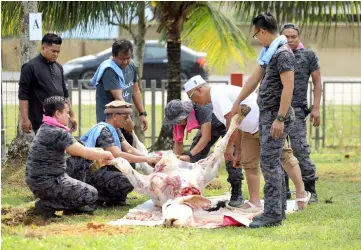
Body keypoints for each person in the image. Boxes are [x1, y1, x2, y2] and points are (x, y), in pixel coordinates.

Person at [230, 12, 296, 228]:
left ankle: (273, 214)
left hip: (277, 116)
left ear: (263, 31)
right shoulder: (270, 52)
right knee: (272, 163)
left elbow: (289, 88)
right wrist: (238, 100)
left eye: (256, 34)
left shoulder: (283, 53)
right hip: (267, 115)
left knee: (269, 164)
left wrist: (280, 118)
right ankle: (277, 210)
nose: (256, 38)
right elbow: (254, 78)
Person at [26, 96, 114, 220]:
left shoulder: (46, 127)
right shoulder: (57, 132)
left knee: (80, 160)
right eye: (67, 113)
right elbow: (86, 153)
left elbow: (79, 151)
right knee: (91, 194)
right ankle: (47, 205)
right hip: (47, 182)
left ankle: (72, 200)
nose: (69, 116)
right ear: (57, 113)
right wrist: (107, 154)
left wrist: (99, 151)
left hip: (41, 180)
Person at [184, 75, 263, 212]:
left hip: (262, 125)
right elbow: (235, 124)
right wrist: (237, 149)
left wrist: (229, 146)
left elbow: (231, 121)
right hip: (246, 129)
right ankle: (254, 202)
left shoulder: (216, 94)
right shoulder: (213, 103)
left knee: (280, 160)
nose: (195, 102)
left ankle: (299, 195)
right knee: (249, 164)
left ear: (199, 90)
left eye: (192, 98)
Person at [66, 100, 161, 206]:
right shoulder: (104, 131)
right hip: (90, 171)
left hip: (102, 170)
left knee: (129, 178)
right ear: (115, 116)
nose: (128, 120)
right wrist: (146, 159)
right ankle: (97, 196)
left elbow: (129, 148)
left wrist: (150, 157)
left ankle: (113, 198)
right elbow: (117, 154)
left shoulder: (115, 130)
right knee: (128, 180)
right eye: (126, 117)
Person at [163, 97, 244, 208]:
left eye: (178, 120)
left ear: (185, 114)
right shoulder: (178, 120)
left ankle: (236, 192)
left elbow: (206, 137)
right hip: (209, 127)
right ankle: (188, 191)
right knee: (193, 160)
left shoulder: (201, 107)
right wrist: (176, 165)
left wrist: (189, 154)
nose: (177, 123)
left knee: (230, 155)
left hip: (225, 124)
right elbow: (178, 142)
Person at [281, 23, 321, 203]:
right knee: (278, 149)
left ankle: (310, 188)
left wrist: (316, 107)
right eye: (286, 37)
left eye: (293, 37)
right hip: (277, 109)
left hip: (297, 109)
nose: (289, 40)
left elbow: (317, 82)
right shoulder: (277, 54)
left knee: (299, 148)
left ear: (299, 37)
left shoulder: (308, 55)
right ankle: (283, 189)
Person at [91, 39, 148, 152]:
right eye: (122, 59)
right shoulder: (109, 70)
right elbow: (119, 99)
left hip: (124, 117)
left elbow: (135, 91)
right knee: (116, 158)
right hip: (110, 123)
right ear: (113, 55)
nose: (126, 61)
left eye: (128, 58)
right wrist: (129, 122)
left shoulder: (131, 65)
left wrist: (142, 113)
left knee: (130, 154)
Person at [18, 33, 77, 134]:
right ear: (43, 47)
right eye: (53, 51)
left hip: (60, 121)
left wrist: (72, 115)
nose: (56, 54)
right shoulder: (30, 67)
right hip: (42, 122)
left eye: (58, 52)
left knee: (60, 149)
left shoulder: (59, 67)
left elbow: (65, 93)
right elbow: (23, 95)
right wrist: (24, 119)